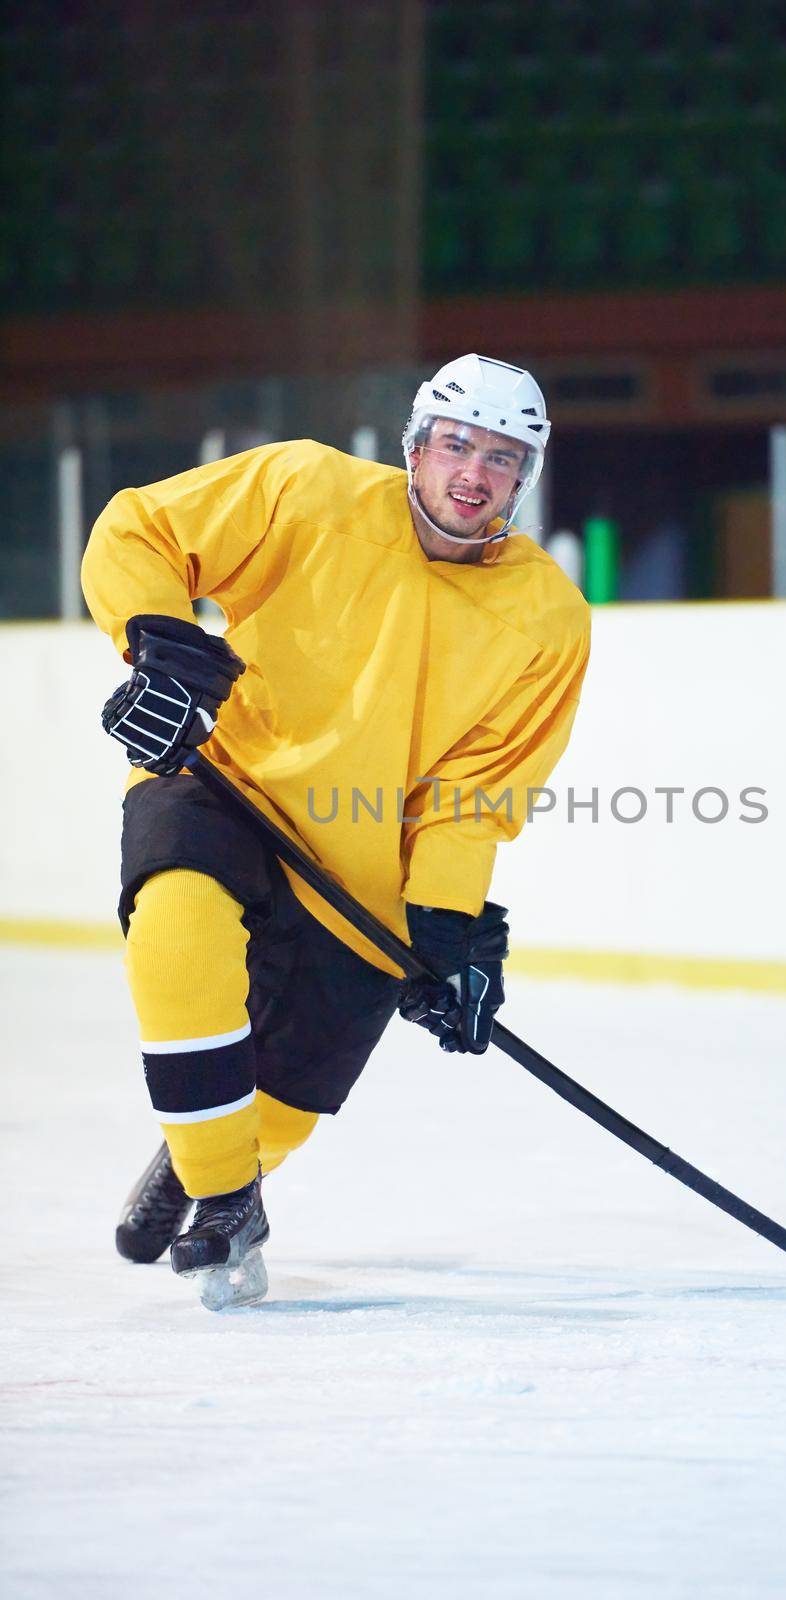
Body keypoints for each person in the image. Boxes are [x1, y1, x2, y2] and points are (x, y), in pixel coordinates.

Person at [82, 355, 590, 1310]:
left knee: (291, 1096)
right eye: (455, 444)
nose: (473, 473)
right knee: (175, 933)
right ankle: (227, 1196)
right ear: (413, 447)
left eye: (502, 456)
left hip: (360, 868)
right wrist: (158, 645)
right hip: (221, 780)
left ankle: (208, 1159)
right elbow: (140, 528)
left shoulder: (548, 618)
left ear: (526, 476)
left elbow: (474, 791)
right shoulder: (304, 489)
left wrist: (443, 924)